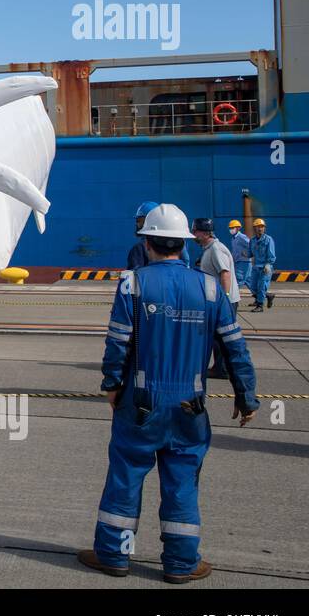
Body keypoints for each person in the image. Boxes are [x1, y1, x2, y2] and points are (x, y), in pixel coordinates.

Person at [79, 203, 258, 584]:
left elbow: (118, 343)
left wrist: (112, 385)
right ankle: (180, 563)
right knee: (181, 481)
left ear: (147, 243)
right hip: (190, 406)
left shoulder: (134, 283)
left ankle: (115, 554)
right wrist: (246, 397)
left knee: (126, 475)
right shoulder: (210, 288)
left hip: (140, 403)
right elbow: (235, 348)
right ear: (183, 243)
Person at [192, 218, 238, 378]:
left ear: (205, 233)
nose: (193, 234)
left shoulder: (216, 249)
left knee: (221, 336)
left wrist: (223, 299)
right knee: (216, 337)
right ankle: (220, 367)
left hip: (224, 301)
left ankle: (222, 369)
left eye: (195, 231)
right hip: (218, 300)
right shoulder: (209, 249)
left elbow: (225, 273)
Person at [249, 218, 276, 311]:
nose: (260, 229)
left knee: (261, 286)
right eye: (258, 227)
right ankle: (268, 295)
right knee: (252, 286)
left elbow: (271, 254)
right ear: (254, 228)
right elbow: (250, 253)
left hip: (265, 268)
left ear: (264, 228)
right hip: (256, 267)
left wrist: (268, 264)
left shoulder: (268, 240)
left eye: (262, 227)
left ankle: (260, 306)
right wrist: (244, 254)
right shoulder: (252, 240)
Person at [126, 201, 158, 271]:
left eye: (139, 220)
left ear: (149, 221)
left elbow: (135, 278)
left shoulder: (139, 248)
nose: (137, 224)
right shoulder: (175, 246)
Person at [228, 219, 251, 289]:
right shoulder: (233, 239)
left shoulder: (241, 237)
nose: (231, 229)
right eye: (230, 228)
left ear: (238, 228)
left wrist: (247, 253)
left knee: (238, 281)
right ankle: (266, 295)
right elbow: (235, 251)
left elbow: (252, 245)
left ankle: (232, 298)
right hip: (238, 262)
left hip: (244, 262)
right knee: (250, 282)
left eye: (232, 228)